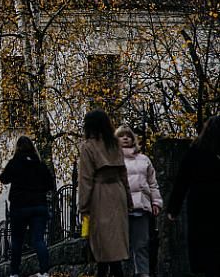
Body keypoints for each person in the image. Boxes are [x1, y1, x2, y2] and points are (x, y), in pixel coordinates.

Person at [78, 109, 133, 277]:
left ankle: (107, 273)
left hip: (100, 194)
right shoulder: (115, 144)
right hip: (118, 192)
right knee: (115, 240)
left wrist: (83, 205)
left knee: (102, 242)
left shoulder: (88, 147)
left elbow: (86, 179)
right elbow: (123, 174)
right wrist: (129, 200)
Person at [167, 116, 220, 277]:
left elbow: (182, 181)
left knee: (205, 248)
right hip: (210, 204)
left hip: (200, 204)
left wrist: (173, 208)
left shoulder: (195, 151)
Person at [0, 136, 55, 277]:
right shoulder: (40, 165)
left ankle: (14, 273)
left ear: (17, 148)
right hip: (38, 205)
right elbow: (50, 184)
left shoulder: (14, 163)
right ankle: (45, 271)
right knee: (39, 239)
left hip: (19, 207)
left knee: (17, 240)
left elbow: (3, 179)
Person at [116, 127, 162, 277]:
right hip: (120, 208)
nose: (125, 138)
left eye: (128, 136)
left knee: (141, 245)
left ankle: (143, 274)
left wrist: (156, 202)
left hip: (141, 207)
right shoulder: (113, 159)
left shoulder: (144, 159)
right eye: (121, 136)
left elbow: (152, 183)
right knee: (118, 246)